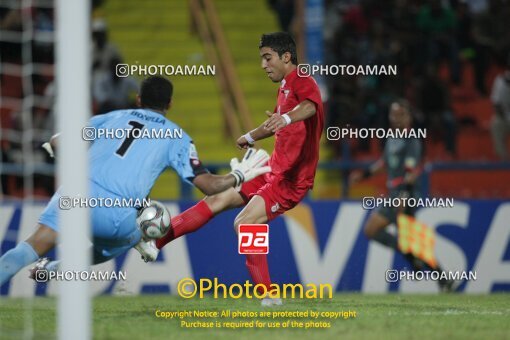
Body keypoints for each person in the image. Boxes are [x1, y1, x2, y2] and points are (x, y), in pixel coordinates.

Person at [0, 75, 270, 286]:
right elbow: (208, 186)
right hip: (116, 213)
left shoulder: (111, 117)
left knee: (27, 248)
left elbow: (58, 142)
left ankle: (39, 264)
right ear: (170, 104)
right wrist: (238, 175)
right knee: (137, 232)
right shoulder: (176, 136)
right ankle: (55, 269)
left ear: (139, 99)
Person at [136, 32, 324, 306]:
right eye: (262, 59)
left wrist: (286, 117)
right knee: (216, 198)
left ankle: (269, 296)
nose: (263, 65)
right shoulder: (285, 86)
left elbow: (309, 107)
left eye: (267, 58)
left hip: (291, 179)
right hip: (272, 168)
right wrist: (250, 137)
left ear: (286, 57)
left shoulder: (303, 80)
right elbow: (276, 123)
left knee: (245, 223)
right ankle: (155, 243)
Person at [350, 99, 453, 292]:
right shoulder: (391, 138)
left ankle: (441, 276)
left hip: (405, 195)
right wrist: (363, 175)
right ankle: (417, 261)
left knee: (408, 240)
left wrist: (404, 196)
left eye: (400, 114)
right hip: (393, 195)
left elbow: (411, 172)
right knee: (373, 231)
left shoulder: (412, 139)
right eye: (393, 114)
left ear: (408, 117)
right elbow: (383, 163)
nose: (395, 118)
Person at [490, 55, 510, 160]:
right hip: (504, 117)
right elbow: (496, 104)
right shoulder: (500, 80)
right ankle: (504, 160)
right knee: (495, 124)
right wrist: (506, 117)